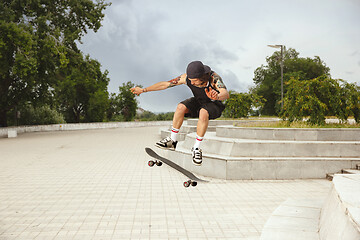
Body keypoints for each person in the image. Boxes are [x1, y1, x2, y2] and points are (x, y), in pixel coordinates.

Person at [130, 61, 229, 165]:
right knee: (180, 107)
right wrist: (143, 90)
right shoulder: (186, 78)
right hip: (199, 101)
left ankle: (196, 148)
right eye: (190, 81)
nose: (192, 83)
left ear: (202, 77)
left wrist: (217, 96)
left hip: (214, 104)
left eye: (194, 81)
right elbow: (165, 84)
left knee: (203, 113)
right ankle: (172, 141)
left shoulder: (214, 78)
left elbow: (225, 93)